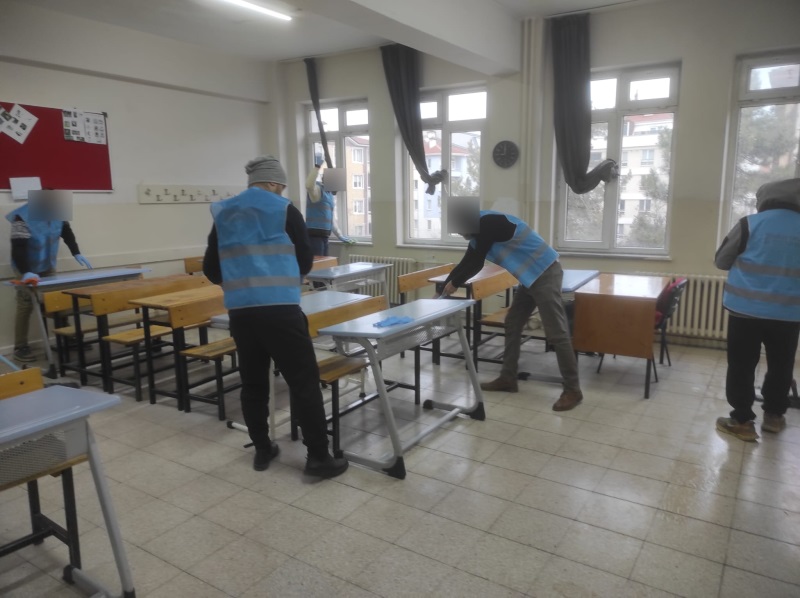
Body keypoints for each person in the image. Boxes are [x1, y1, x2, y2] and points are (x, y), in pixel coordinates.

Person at [203, 155, 348, 477]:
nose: (282, 192)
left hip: (241, 314)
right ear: (273, 183)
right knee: (303, 382)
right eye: (281, 187)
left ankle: (262, 449)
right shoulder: (284, 209)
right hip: (281, 311)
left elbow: (210, 268)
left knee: (253, 383)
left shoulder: (223, 212)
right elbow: (305, 260)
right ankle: (318, 457)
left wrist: (240, 284)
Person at [439, 204, 583, 412]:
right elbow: (466, 262)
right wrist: (444, 287)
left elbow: (475, 262)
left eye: (461, 231)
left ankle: (573, 390)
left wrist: (454, 284)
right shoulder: (477, 231)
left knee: (556, 332)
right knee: (513, 322)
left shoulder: (486, 224)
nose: (462, 236)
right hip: (529, 277)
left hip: (545, 272)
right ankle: (508, 378)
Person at [714, 177, 800, 442]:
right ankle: (774, 416)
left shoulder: (749, 224)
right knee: (781, 365)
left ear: (765, 199)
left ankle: (741, 421)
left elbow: (721, 261)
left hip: (745, 311)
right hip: (789, 314)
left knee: (741, 366)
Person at [6, 200, 92, 362]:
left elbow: (66, 231)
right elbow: (18, 248)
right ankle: (20, 346)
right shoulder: (21, 218)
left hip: (46, 263)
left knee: (57, 299)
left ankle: (66, 337)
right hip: (24, 265)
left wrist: (76, 252)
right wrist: (25, 272)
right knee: (25, 303)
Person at [305, 161, 355, 256]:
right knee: (319, 264)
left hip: (324, 236)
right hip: (314, 236)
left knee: (325, 263)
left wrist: (340, 236)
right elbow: (308, 185)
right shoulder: (318, 190)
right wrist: (316, 168)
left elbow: (331, 220)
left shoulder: (330, 196)